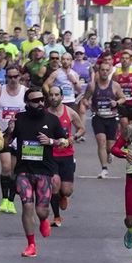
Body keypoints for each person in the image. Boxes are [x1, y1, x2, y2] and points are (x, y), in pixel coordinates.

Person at [2, 85, 64, 256]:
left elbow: (65, 141)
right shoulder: (19, 119)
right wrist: (10, 130)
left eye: (42, 100)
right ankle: (31, 245)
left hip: (44, 171)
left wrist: (51, 142)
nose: (40, 103)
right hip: (24, 170)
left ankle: (44, 219)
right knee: (27, 207)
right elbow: (5, 144)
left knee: (40, 211)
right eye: (35, 101)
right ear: (27, 103)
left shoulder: (51, 119)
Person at [0, 62, 26, 211]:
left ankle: (11, 201)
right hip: (3, 134)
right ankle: (4, 200)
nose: (12, 79)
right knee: (5, 166)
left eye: (15, 76)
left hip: (19, 135)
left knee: (15, 169)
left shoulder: (25, 92)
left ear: (20, 77)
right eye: (9, 77)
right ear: (5, 77)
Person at [43, 85, 80, 227]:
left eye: (56, 95)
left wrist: (74, 137)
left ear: (62, 97)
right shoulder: (45, 114)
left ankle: (63, 196)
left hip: (67, 155)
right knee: (54, 184)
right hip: (51, 155)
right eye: (51, 95)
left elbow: (81, 128)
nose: (53, 97)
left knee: (66, 190)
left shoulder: (69, 112)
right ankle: (57, 217)